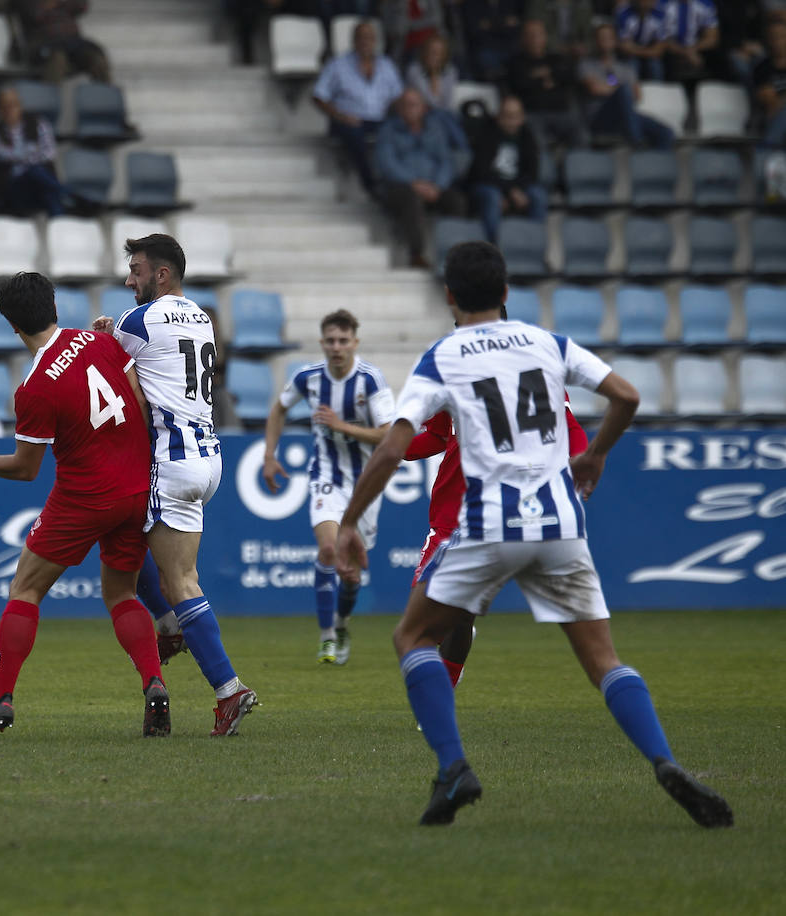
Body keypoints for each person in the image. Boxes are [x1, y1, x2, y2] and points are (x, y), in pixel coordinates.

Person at [334, 240, 735, 829]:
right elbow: (626, 394)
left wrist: (348, 522)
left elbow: (397, 443)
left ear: (449, 297)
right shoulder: (547, 343)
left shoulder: (444, 356)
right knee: (604, 660)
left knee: (413, 636)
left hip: (488, 521)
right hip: (559, 523)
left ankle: (452, 768)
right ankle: (664, 761)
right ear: (505, 293)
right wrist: (595, 455)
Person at [0, 271, 169, 742]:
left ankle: (0, 699)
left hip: (84, 497)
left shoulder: (34, 389)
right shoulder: (100, 342)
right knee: (121, 594)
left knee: (24, 589)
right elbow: (140, 404)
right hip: (133, 489)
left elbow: (26, 469)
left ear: (14, 328)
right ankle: (154, 684)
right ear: (56, 309)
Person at [94, 234, 259, 737]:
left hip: (168, 460)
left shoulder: (135, 321)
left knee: (177, 579)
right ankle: (169, 623)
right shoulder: (203, 317)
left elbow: (102, 370)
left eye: (137, 270)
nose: (129, 280)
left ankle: (228, 689)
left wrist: (103, 333)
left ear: (161, 274)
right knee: (128, 538)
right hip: (207, 457)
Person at [403, 305, 590, 689]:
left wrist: (581, 465)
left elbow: (570, 429)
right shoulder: (447, 369)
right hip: (451, 511)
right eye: (460, 325)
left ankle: (443, 695)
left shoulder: (536, 372)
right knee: (428, 622)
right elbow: (437, 436)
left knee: (452, 617)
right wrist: (391, 446)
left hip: (505, 511)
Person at [261, 310, 395, 664]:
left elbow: (388, 433)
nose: (337, 348)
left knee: (350, 572)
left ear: (355, 342)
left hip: (367, 484)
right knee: (328, 551)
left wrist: (341, 426)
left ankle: (342, 623)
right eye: (330, 341)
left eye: (343, 341)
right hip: (327, 477)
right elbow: (278, 409)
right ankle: (326, 638)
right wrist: (269, 456)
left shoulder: (371, 380)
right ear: (322, 343)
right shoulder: (308, 377)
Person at [374, 88, 467, 269]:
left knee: (457, 201)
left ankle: (454, 254)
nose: (410, 109)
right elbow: (387, 163)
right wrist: (414, 183)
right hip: (401, 187)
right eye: (406, 105)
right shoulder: (388, 130)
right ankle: (416, 254)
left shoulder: (435, 129)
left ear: (424, 108)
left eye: (414, 105)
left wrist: (438, 185)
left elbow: (446, 160)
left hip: (434, 187)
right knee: (411, 199)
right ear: (399, 109)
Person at [312, 19, 403, 196]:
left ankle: (396, 181)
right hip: (347, 120)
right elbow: (318, 97)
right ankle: (370, 183)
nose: (365, 41)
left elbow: (398, 97)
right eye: (361, 37)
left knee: (396, 130)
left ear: (376, 41)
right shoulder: (337, 65)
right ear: (353, 40)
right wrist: (339, 115)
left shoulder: (387, 66)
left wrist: (393, 111)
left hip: (379, 118)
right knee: (354, 131)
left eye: (369, 37)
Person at [579, 22, 676, 150]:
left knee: (666, 133)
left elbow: (637, 95)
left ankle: (654, 166)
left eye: (609, 38)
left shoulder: (625, 68)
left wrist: (615, 91)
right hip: (600, 117)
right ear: (595, 41)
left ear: (615, 41)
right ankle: (637, 144)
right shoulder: (586, 65)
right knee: (623, 91)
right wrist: (620, 92)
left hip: (626, 116)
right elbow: (594, 89)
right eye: (602, 38)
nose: (605, 41)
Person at [467, 95, 548, 245]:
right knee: (492, 196)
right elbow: (480, 172)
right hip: (487, 185)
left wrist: (517, 190)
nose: (511, 121)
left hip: (516, 186)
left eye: (515, 116)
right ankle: (494, 248)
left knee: (539, 195)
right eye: (507, 116)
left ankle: (536, 246)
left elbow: (532, 172)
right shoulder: (486, 133)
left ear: (522, 117)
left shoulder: (527, 136)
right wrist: (509, 191)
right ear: (499, 116)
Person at [0, 86, 68, 217]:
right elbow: (4, 155)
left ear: (20, 106)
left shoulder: (39, 123)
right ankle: (64, 191)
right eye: (5, 106)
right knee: (36, 172)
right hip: (13, 187)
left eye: (14, 105)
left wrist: (27, 158)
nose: (10, 110)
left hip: (37, 184)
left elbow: (49, 152)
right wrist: (33, 156)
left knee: (47, 191)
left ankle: (60, 228)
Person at [507, 18, 587, 148]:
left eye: (539, 34)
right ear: (524, 38)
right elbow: (520, 85)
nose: (535, 39)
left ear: (545, 36)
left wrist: (540, 77)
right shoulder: (516, 62)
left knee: (581, 135)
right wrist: (549, 79)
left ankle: (580, 167)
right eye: (531, 35)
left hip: (561, 113)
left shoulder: (556, 59)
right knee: (536, 141)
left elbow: (570, 79)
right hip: (532, 114)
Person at [16, 0, 111, 84]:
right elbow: (35, 14)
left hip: (72, 41)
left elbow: (82, 6)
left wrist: (57, 3)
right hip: (44, 42)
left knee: (96, 57)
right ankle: (50, 100)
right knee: (58, 59)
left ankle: (107, 97)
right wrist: (58, 4)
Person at [462, 0, 525, 81]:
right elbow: (474, 30)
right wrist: (504, 23)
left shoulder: (510, 2)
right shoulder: (471, 3)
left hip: (509, 47)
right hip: (485, 48)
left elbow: (516, 28)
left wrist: (490, 24)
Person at [662, 0, 721, 86]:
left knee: (716, 58)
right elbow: (661, 39)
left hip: (697, 51)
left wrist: (693, 50)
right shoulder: (662, 3)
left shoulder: (705, 4)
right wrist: (685, 52)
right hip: (671, 52)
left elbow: (712, 38)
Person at [616, 0, 670, 82]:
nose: (644, 3)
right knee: (632, 65)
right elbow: (624, 47)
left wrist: (635, 49)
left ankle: (657, 92)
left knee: (655, 67)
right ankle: (632, 92)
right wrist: (649, 50)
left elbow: (659, 50)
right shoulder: (624, 14)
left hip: (649, 56)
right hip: (632, 56)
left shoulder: (660, 15)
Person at [523, 0, 595, 58]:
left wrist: (584, 47)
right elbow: (534, 30)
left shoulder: (583, 3)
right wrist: (559, 47)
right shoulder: (539, 3)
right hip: (547, 51)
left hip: (578, 53)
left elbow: (589, 34)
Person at [754, 18, 786, 147]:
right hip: (773, 117)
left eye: (782, 37)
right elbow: (770, 102)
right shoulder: (762, 68)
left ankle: (767, 152)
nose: (778, 42)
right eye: (774, 37)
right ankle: (768, 151)